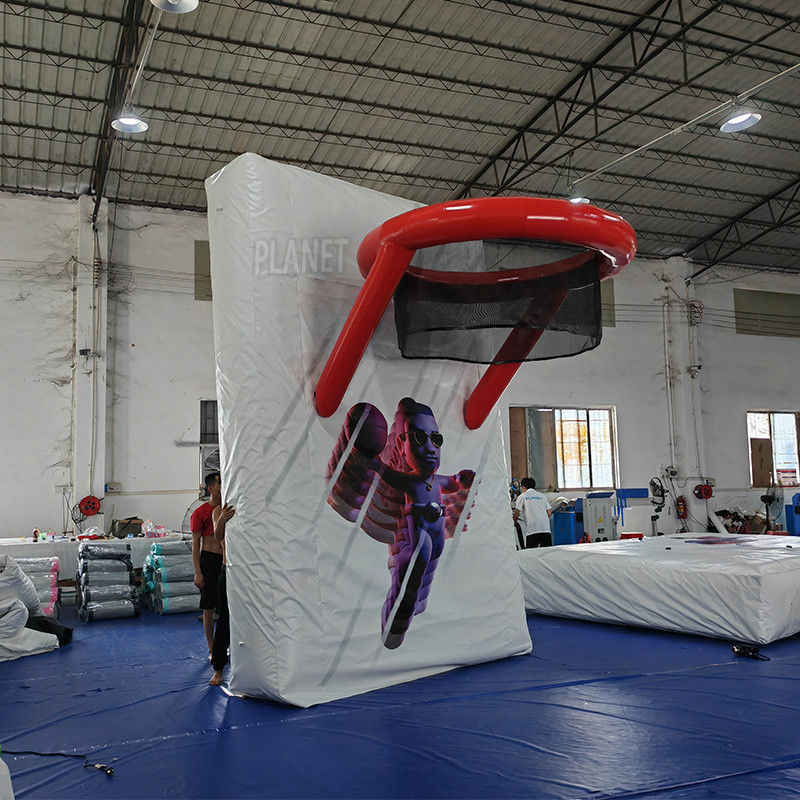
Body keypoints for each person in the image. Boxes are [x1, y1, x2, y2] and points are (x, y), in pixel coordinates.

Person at [191, 472, 224, 659]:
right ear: (211, 488)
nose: (223, 487)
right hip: (209, 560)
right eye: (220, 484)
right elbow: (196, 544)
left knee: (227, 606)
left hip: (225, 560)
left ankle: (226, 644)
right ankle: (212, 649)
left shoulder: (227, 510)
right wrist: (198, 572)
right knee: (208, 607)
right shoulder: (200, 512)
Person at [209, 497, 235, 686]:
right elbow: (218, 537)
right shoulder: (218, 510)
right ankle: (218, 668)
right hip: (228, 568)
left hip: (248, 569)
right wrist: (223, 519)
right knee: (224, 617)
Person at [514, 477, 552, 548]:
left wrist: (513, 523)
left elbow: (516, 513)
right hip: (545, 528)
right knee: (547, 552)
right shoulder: (542, 496)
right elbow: (549, 513)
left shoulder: (522, 496)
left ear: (523, 487)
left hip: (533, 529)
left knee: (531, 552)